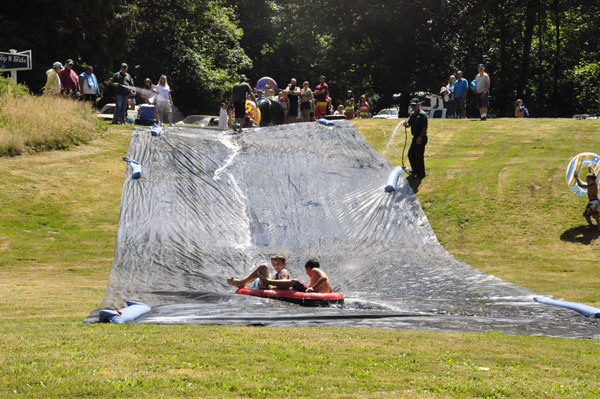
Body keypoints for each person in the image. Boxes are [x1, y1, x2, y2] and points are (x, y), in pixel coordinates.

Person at [257, 258, 333, 293]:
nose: (307, 273)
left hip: (313, 293)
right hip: (318, 294)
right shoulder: (322, 276)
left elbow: (323, 278)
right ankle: (272, 287)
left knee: (295, 282)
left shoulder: (314, 270)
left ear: (308, 268)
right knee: (292, 288)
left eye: (306, 271)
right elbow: (330, 290)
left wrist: (312, 288)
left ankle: (268, 281)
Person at [402, 97, 428, 179]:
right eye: (412, 106)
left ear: (419, 105)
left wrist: (420, 137)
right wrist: (406, 125)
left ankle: (421, 173)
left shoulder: (422, 114)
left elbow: (425, 127)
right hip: (415, 137)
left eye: (415, 105)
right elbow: (409, 124)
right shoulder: (412, 114)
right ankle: (415, 170)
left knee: (419, 155)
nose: (413, 107)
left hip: (422, 137)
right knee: (411, 154)